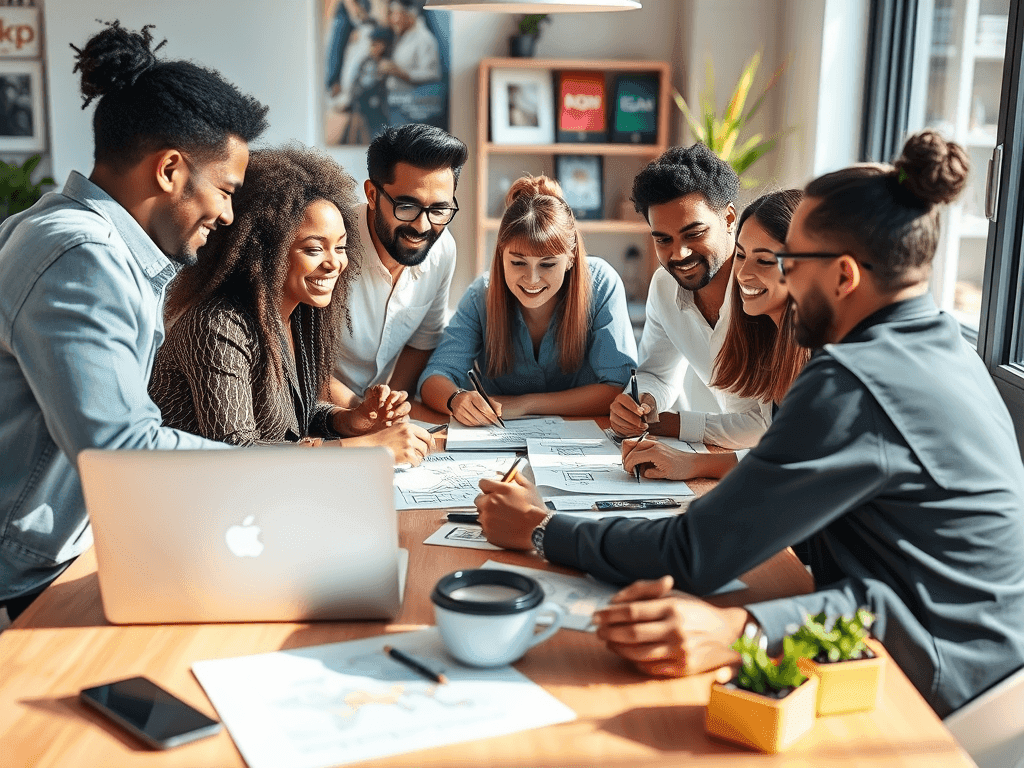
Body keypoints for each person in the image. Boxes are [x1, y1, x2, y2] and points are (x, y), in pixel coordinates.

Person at [474, 130, 1024, 718]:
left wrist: (541, 529)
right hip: (966, 653)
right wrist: (750, 622)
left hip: (944, 695)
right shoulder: (939, 348)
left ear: (843, 276)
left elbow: (694, 552)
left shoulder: (855, 382)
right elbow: (881, 580)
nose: (767, 279)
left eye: (789, 261)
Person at [0, 22, 269, 619]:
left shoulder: (66, 234)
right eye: (225, 189)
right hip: (23, 586)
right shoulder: (82, 257)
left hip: (65, 556)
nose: (227, 214)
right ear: (170, 169)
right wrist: (292, 472)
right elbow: (120, 449)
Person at [149, 146, 432, 466]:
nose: (334, 263)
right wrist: (369, 449)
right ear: (264, 252)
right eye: (314, 249)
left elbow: (290, 420)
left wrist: (352, 421)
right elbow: (237, 454)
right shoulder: (218, 325)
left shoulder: (299, 316)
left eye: (340, 247)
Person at [419, 176, 637, 424]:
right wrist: (456, 399)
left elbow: (618, 390)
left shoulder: (600, 284)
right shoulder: (481, 295)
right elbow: (434, 377)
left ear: (571, 257)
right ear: (501, 254)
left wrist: (526, 404)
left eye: (547, 264)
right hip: (498, 441)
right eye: (518, 262)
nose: (532, 279)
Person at [626, 189, 810, 480]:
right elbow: (785, 451)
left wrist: (693, 463)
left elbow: (799, 459)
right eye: (741, 255)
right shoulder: (765, 326)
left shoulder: (826, 352)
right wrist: (654, 415)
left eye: (763, 260)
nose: (743, 274)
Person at [608, 143, 768, 450]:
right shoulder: (664, 287)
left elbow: (771, 426)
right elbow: (658, 373)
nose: (678, 254)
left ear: (729, 219)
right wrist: (641, 403)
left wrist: (669, 423)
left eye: (693, 234)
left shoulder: (765, 290)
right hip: (728, 459)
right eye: (663, 240)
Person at [329, 123, 467, 418]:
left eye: (439, 210)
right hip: (316, 415)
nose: (423, 226)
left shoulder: (443, 250)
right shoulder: (328, 243)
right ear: (371, 194)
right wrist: (365, 415)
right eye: (407, 206)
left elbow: (422, 342)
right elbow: (291, 356)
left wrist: (392, 407)